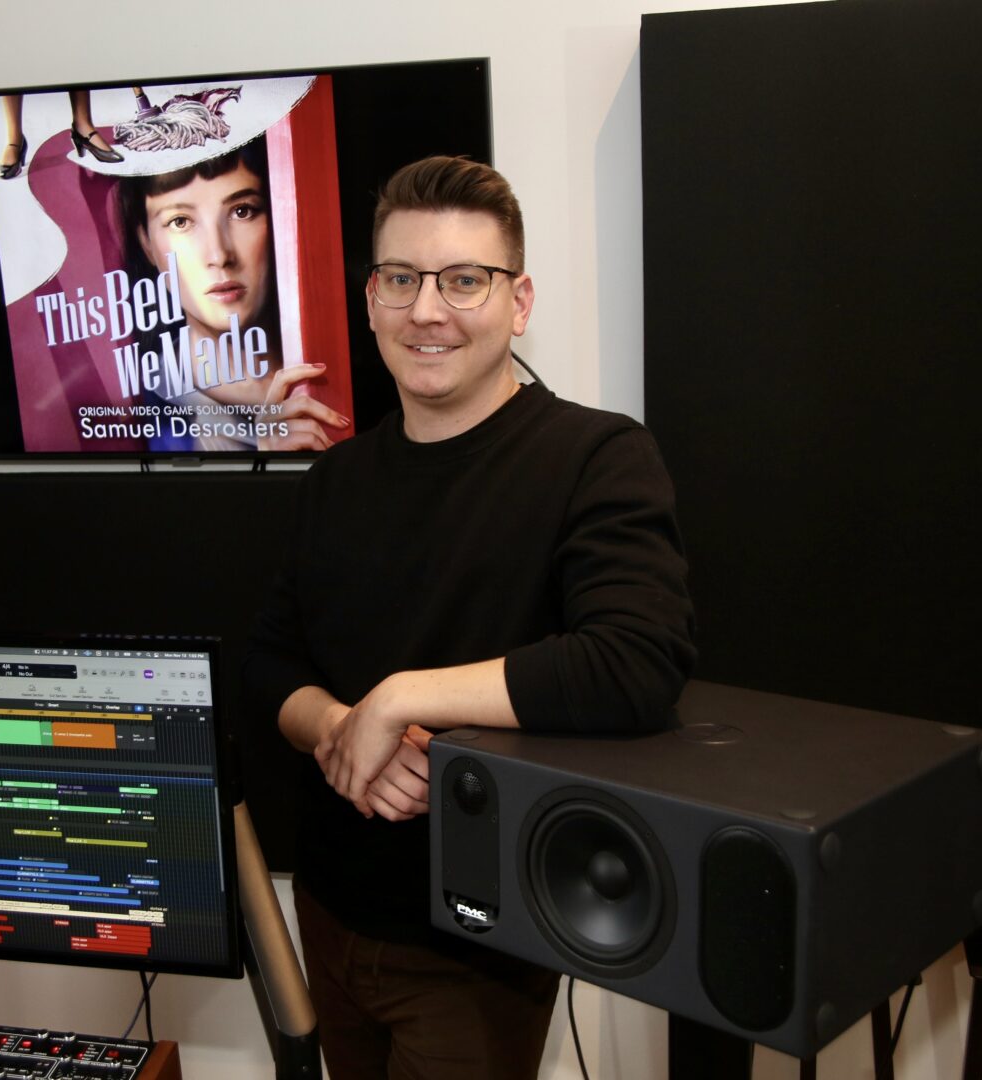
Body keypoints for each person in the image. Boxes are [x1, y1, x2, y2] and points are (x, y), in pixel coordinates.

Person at [244, 156, 696, 1079]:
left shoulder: (597, 455)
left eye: (465, 281)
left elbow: (637, 663)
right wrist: (335, 725)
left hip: (476, 947)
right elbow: (268, 663)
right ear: (371, 300)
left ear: (518, 301)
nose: (428, 310)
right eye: (402, 280)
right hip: (327, 913)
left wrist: (401, 699)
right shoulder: (335, 480)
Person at [117, 139, 345, 452]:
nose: (219, 254)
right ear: (145, 242)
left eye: (242, 211)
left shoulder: (342, 358)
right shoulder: (136, 412)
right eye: (180, 221)